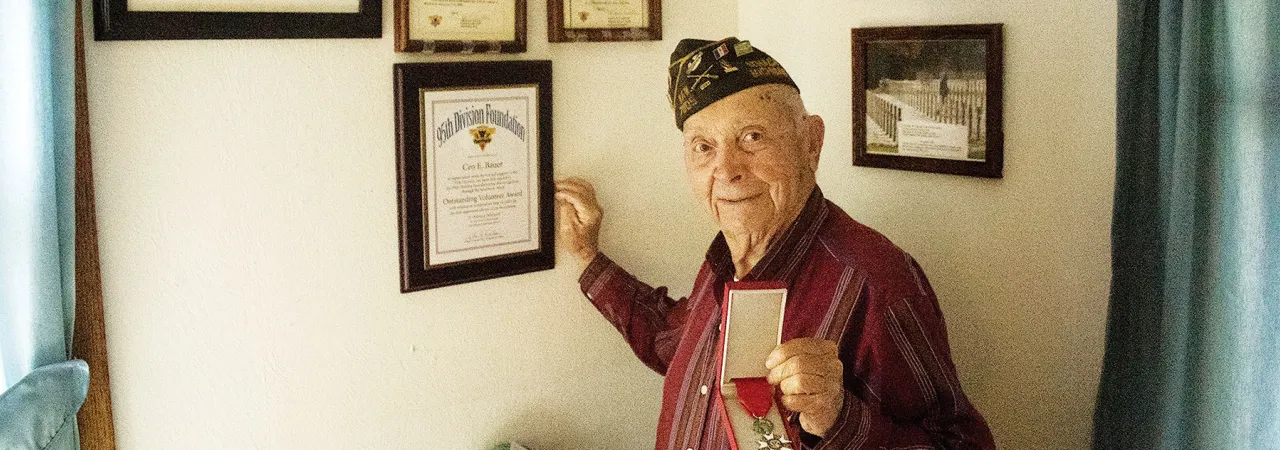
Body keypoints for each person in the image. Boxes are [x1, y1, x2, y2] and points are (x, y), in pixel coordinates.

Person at [555, 37, 995, 450]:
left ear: (812, 143)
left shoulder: (876, 281)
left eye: (753, 137)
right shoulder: (727, 255)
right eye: (703, 147)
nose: (726, 170)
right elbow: (674, 343)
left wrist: (840, 418)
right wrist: (588, 257)